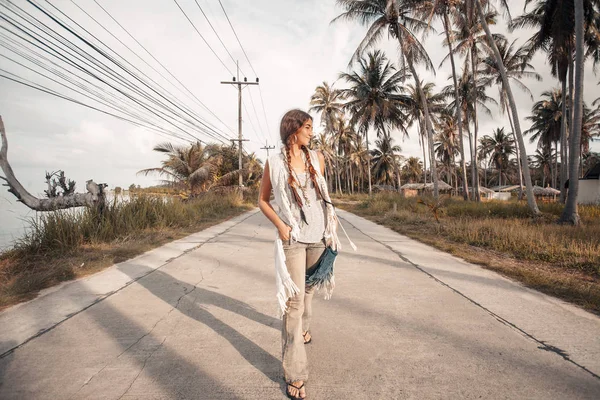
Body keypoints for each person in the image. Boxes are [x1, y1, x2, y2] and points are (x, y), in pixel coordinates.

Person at [258, 109, 355, 399]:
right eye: (308, 127)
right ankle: (296, 374)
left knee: (310, 288)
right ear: (293, 130)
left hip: (320, 238)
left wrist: (331, 222)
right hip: (294, 240)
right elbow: (262, 201)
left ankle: (304, 329)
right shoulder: (273, 163)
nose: (312, 132)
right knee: (294, 303)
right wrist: (281, 226)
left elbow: (319, 197)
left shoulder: (317, 158)